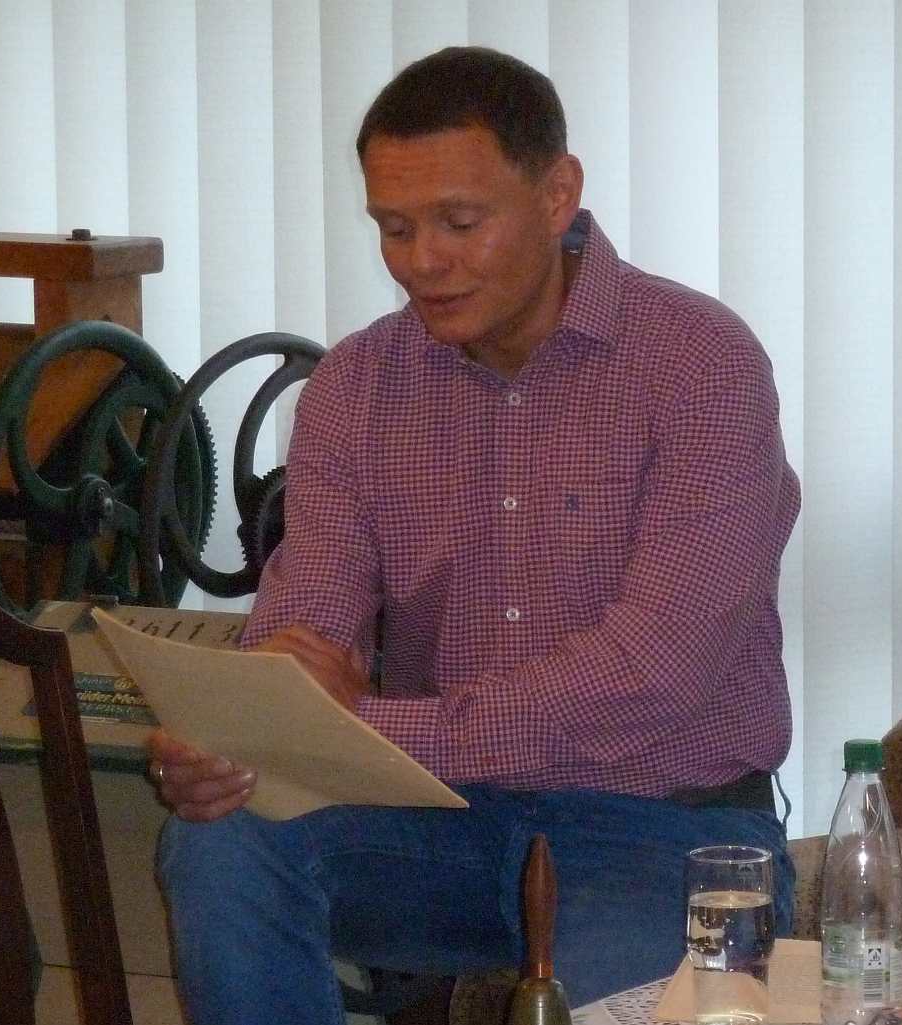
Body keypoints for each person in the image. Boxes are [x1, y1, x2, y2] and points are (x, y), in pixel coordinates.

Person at [146, 46, 801, 1024]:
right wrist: (236, 735)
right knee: (223, 838)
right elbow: (304, 630)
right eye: (394, 227)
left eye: (459, 222)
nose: (422, 261)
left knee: (619, 1005)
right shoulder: (356, 385)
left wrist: (369, 724)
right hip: (435, 819)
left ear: (558, 194)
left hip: (662, 826)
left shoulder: (699, 363)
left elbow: (657, 670)